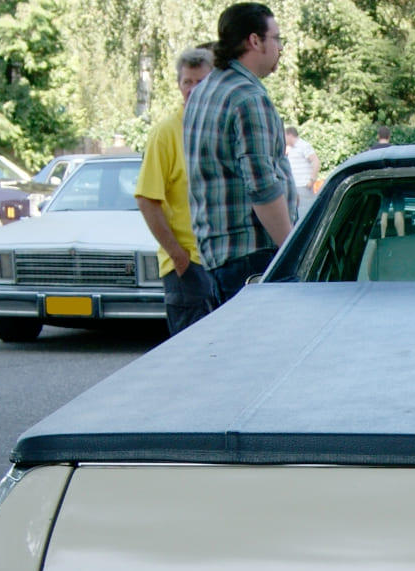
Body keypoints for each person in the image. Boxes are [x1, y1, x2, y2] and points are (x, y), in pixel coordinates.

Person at [184, 2, 296, 303]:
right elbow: (262, 187)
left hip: (218, 256)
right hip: (254, 257)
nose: (280, 48)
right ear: (255, 41)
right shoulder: (248, 98)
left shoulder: (204, 91)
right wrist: (293, 251)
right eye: (277, 38)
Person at [135, 45, 218, 335]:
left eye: (201, 82)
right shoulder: (166, 133)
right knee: (191, 361)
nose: (193, 89)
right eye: (187, 82)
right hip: (188, 266)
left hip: (221, 260)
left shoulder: (219, 126)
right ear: (178, 85)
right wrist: (179, 258)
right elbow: (147, 199)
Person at [284, 125, 319, 205]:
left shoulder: (303, 145)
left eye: (284, 136)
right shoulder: (290, 149)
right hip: (294, 185)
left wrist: (311, 179)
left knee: (304, 208)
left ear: (290, 135)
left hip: (304, 185)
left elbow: (316, 161)